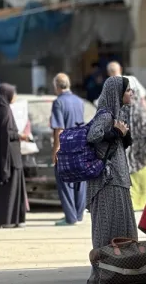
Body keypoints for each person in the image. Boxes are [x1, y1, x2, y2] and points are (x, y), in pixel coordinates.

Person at [86, 76, 137, 283]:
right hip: (108, 182)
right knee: (107, 229)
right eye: (127, 90)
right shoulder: (105, 115)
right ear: (117, 93)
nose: (130, 94)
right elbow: (93, 135)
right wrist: (116, 131)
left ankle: (120, 270)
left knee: (122, 228)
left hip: (118, 180)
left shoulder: (118, 114)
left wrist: (122, 134)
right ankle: (102, 272)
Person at [106, 61, 146, 211]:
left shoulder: (113, 84)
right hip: (136, 127)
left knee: (133, 163)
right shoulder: (130, 81)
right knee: (138, 163)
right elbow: (143, 102)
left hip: (131, 128)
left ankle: (138, 198)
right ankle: (141, 197)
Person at [0, 84, 28, 229]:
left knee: (11, 190)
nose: (15, 97)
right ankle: (8, 219)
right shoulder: (4, 111)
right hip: (9, 158)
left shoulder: (0, 109)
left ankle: (10, 219)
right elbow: (6, 134)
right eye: (13, 94)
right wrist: (19, 135)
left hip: (8, 158)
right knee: (10, 190)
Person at [50, 73, 87, 226]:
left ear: (57, 86)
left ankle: (70, 217)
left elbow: (59, 128)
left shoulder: (58, 103)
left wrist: (56, 150)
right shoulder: (79, 101)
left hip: (65, 147)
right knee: (79, 181)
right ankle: (79, 215)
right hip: (80, 145)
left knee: (64, 182)